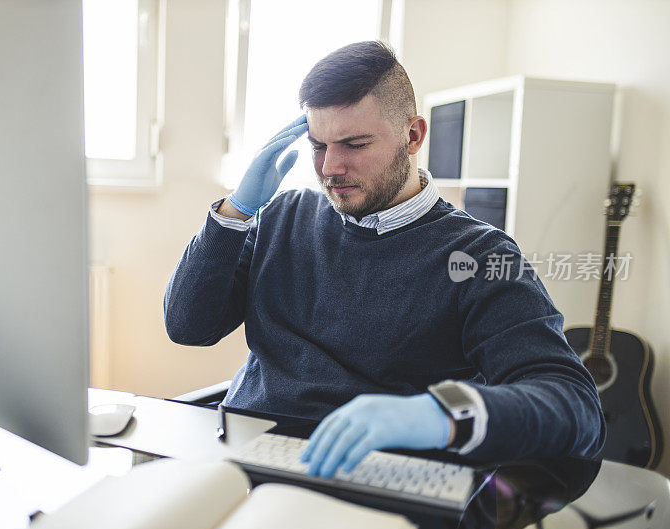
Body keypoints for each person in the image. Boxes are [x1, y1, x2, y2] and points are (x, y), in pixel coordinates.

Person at [164, 41, 605, 478]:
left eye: (354, 144)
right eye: (319, 145)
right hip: (245, 456)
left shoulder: (478, 254)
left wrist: (442, 415)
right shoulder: (283, 215)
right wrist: (235, 212)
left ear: (413, 136)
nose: (331, 167)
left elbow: (576, 406)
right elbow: (188, 326)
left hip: (375, 474)